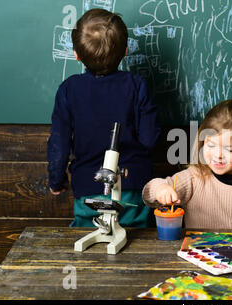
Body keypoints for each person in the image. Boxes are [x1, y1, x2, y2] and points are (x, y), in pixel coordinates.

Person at [47, 9, 160, 228]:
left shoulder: (69, 89)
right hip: (133, 190)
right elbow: (149, 139)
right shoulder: (137, 86)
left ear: (77, 54)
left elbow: (58, 144)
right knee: (135, 244)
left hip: (87, 190)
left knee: (89, 246)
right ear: (125, 51)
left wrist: (56, 180)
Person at [143, 100, 232, 230]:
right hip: (198, 255)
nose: (218, 155)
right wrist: (161, 189)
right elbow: (150, 192)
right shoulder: (194, 177)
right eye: (211, 145)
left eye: (230, 149)